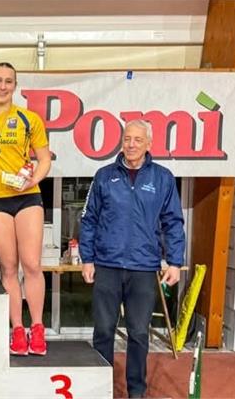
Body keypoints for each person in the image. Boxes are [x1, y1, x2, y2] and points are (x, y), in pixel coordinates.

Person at [79, 119, 185, 397]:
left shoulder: (163, 178)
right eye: (127, 139)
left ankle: (136, 391)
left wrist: (175, 262)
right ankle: (100, 389)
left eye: (138, 139)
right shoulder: (104, 176)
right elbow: (89, 219)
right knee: (103, 330)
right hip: (107, 265)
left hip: (143, 268)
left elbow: (173, 222)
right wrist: (87, 259)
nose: (131, 144)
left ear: (149, 143)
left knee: (138, 333)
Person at [0, 62, 52, 356]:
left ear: (15, 86)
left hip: (26, 196)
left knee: (31, 264)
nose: (2, 86)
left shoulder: (28, 118)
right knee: (8, 267)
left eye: (8, 81)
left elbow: (44, 158)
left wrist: (34, 178)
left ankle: (38, 327)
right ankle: (17, 329)